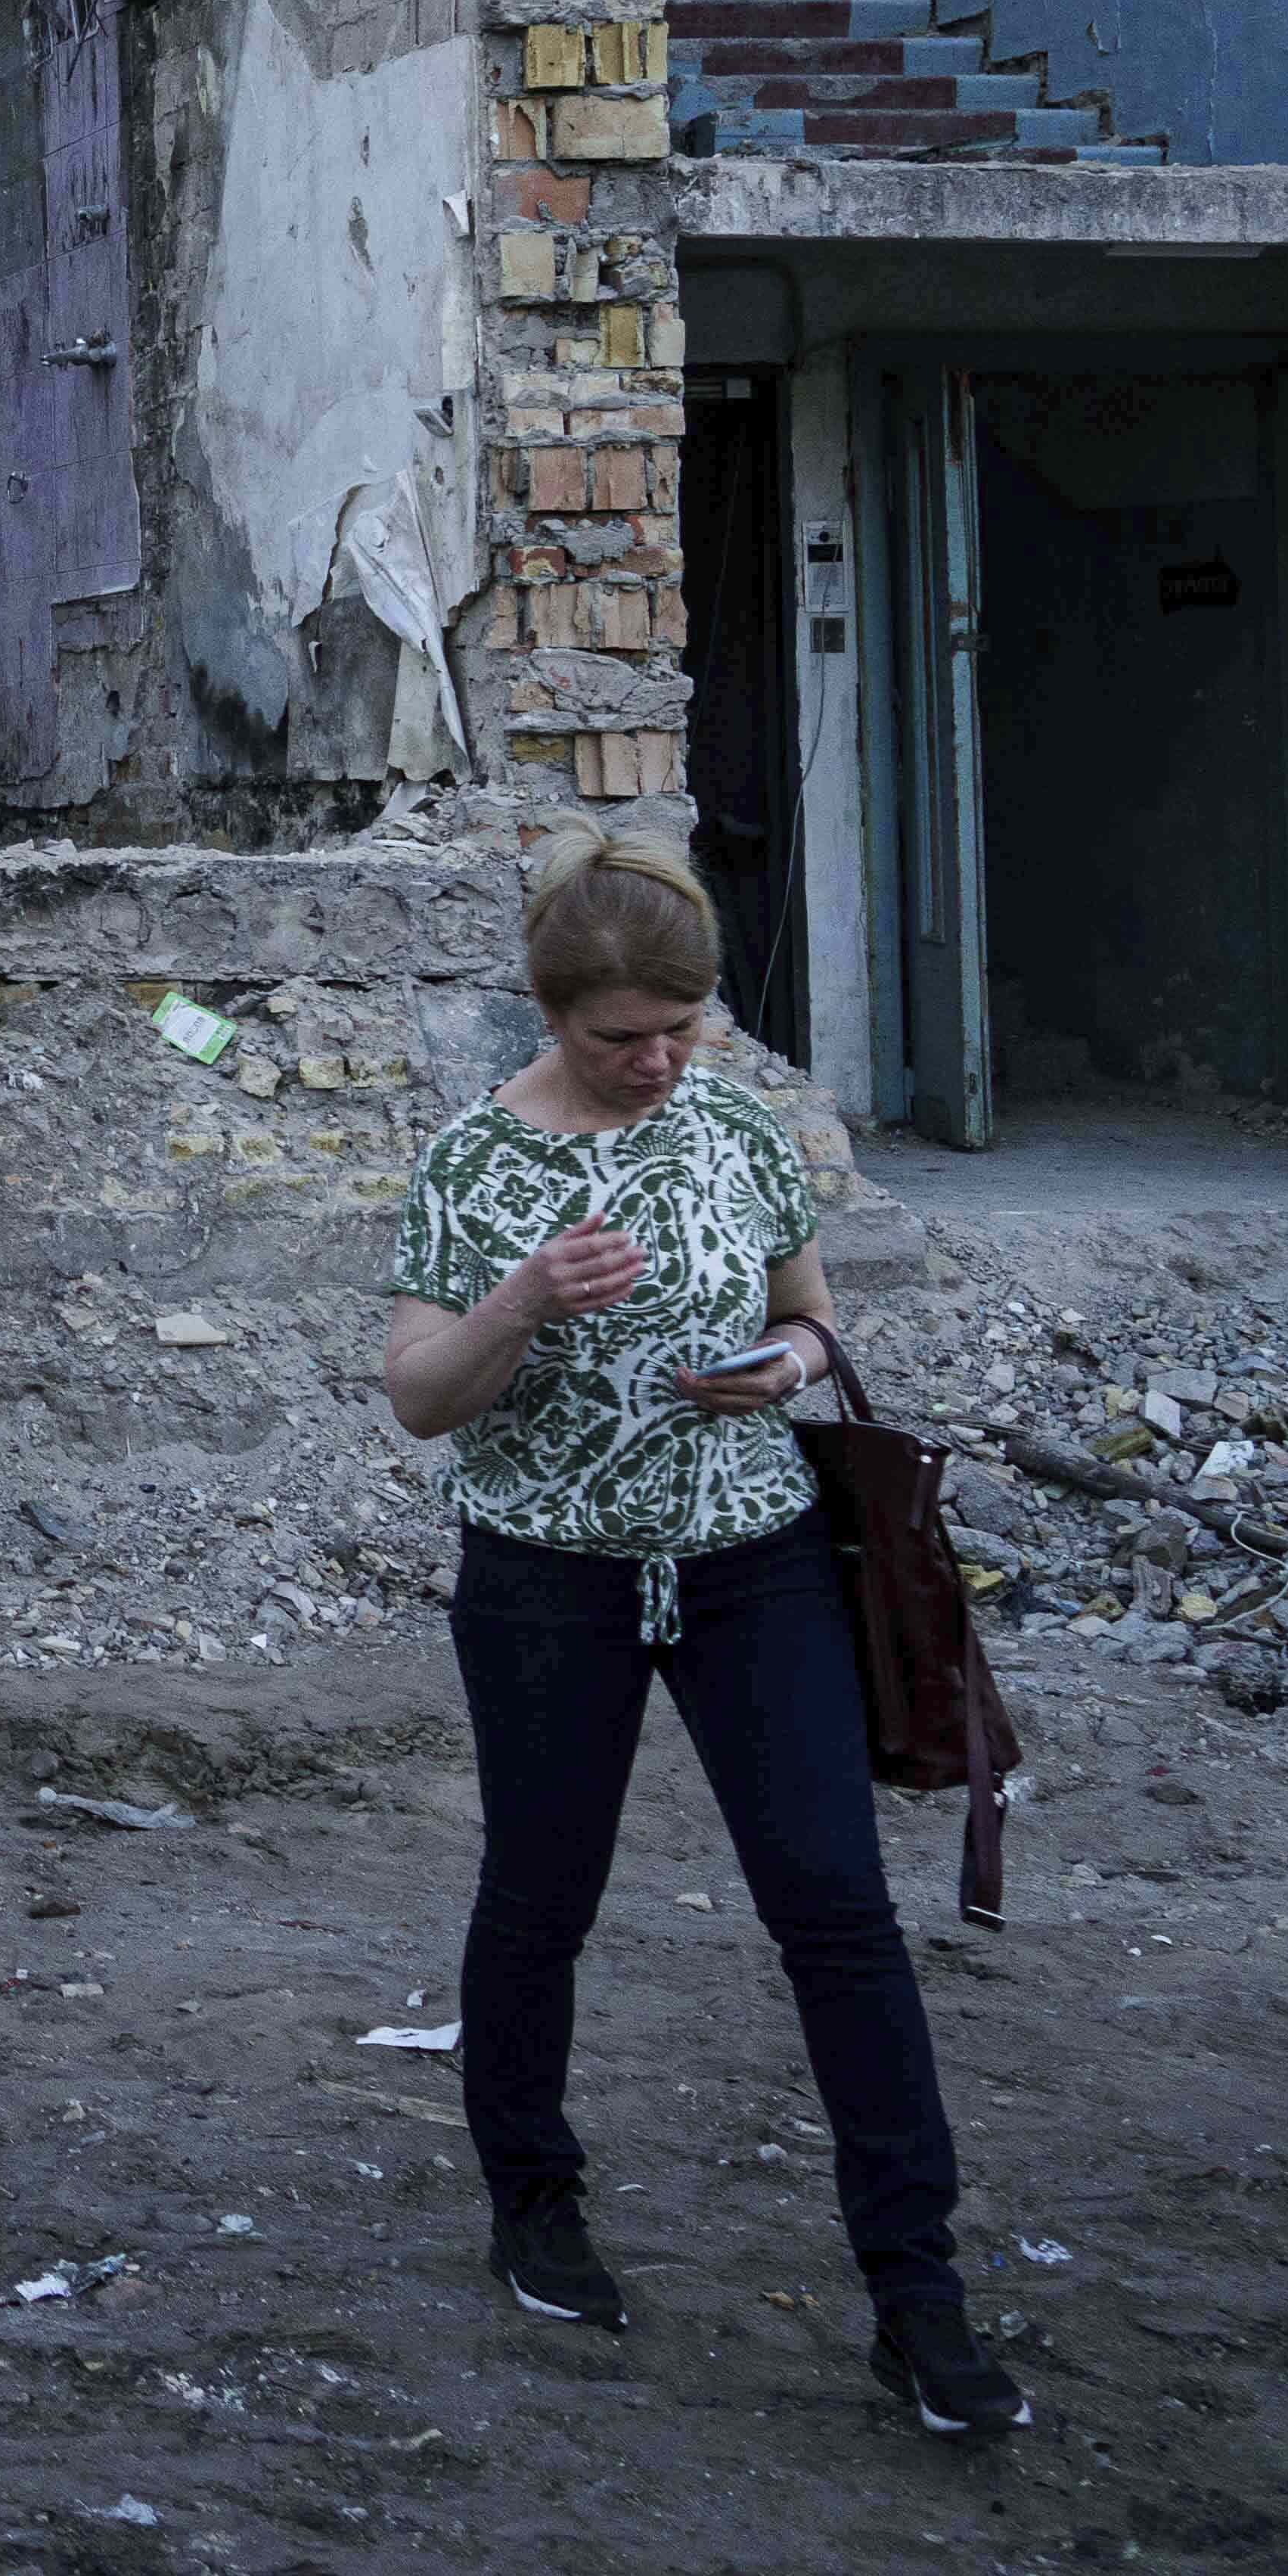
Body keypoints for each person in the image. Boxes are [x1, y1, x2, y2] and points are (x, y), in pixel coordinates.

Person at [379, 828, 1020, 2439]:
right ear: (552, 1015)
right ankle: (535, 2203)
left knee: (838, 1907)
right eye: (621, 1038)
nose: (657, 1060)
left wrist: (787, 1371)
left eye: (684, 1026)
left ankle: (917, 2293)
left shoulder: (737, 1128)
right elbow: (417, 1400)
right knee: (541, 1902)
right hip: (548, 1577)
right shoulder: (473, 1164)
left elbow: (810, 1312)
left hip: (755, 1564)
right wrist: (522, 1302)